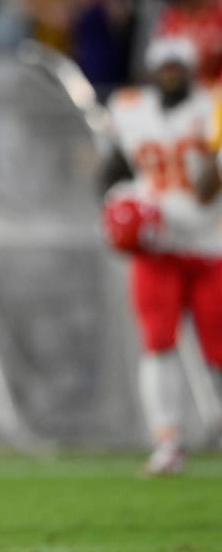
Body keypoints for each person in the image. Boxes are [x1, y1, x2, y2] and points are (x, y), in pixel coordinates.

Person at [98, 34, 222, 475]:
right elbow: (111, 169)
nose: (170, 74)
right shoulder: (132, 108)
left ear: (190, 70)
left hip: (210, 243)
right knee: (158, 343)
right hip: (157, 246)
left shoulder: (212, 107)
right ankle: (168, 441)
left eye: (178, 67)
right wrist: (118, 206)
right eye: (164, 66)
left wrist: (215, 154)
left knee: (218, 349)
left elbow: (207, 193)